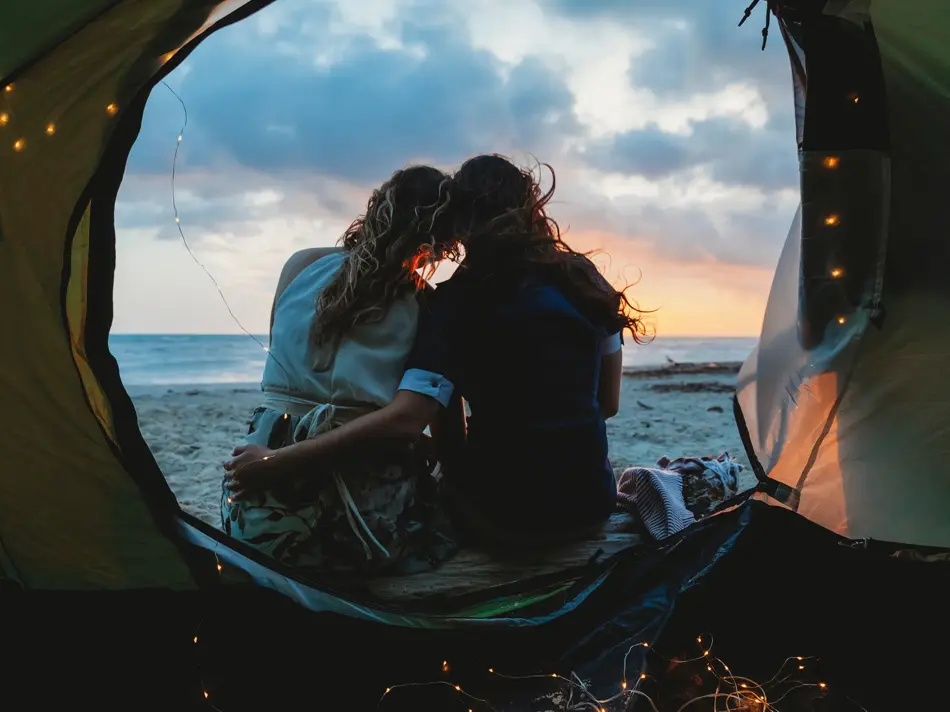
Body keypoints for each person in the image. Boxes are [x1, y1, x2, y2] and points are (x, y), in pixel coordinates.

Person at [226, 154, 646, 549]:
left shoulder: (452, 300)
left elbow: (431, 434)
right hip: (590, 505)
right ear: (532, 209)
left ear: (461, 226)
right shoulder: (586, 280)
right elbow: (606, 404)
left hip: (504, 522)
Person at [221, 165, 459, 573]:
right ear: (437, 245)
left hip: (255, 503)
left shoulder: (300, 265)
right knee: (443, 527)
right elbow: (412, 421)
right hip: (350, 523)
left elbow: (290, 359)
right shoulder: (426, 304)